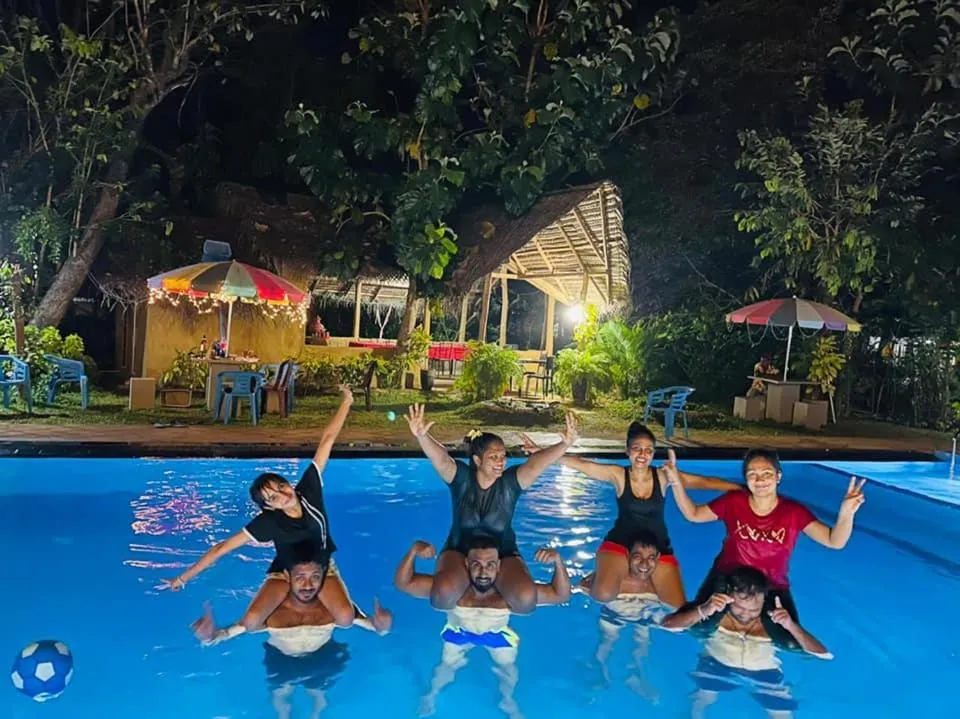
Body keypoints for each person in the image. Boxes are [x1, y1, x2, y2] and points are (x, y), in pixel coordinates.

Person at [163, 385, 358, 631]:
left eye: (281, 487)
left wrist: (347, 401)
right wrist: (182, 578)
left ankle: (325, 602)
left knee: (345, 618)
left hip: (322, 566)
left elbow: (327, 439)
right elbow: (222, 548)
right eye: (273, 498)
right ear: (268, 506)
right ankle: (243, 624)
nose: (283, 496)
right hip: (285, 571)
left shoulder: (308, 489)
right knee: (252, 623)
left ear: (288, 483)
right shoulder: (268, 522)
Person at [523, 422, 740, 607]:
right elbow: (583, 465)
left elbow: (704, 482)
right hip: (621, 543)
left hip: (657, 546)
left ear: (653, 454)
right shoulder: (619, 475)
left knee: (676, 607)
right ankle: (602, 575)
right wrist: (542, 453)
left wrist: (742, 489)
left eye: (648, 450)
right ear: (628, 452)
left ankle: (634, 578)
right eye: (637, 449)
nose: (643, 455)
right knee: (603, 596)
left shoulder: (664, 476)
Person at [404, 403, 577, 614]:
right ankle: (472, 591)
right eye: (493, 457)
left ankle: (484, 592)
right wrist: (422, 436)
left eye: (503, 456)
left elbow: (536, 463)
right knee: (442, 596)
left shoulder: (511, 483)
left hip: (503, 553)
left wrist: (564, 444)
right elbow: (441, 459)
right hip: (459, 550)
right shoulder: (461, 479)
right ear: (477, 460)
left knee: (525, 601)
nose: (500, 462)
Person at [191, 542, 392, 719]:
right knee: (281, 699)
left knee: (319, 697)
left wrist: (382, 626)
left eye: (315, 577)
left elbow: (373, 627)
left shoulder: (333, 609)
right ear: (287, 576)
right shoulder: (272, 612)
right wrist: (210, 636)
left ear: (323, 577)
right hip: (280, 657)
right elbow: (228, 633)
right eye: (300, 577)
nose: (308, 585)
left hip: (321, 655)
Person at [666, 447, 866, 621]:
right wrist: (675, 482)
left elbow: (834, 541)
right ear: (746, 478)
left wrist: (846, 513)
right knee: (699, 627)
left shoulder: (793, 513)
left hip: (772, 584)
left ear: (778, 476)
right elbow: (694, 514)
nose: (760, 480)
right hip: (727, 577)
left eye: (767, 473)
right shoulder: (734, 502)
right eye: (752, 474)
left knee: (790, 643)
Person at [394, 537, 571, 719]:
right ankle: (432, 695)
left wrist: (558, 561)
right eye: (476, 564)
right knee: (446, 666)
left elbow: (560, 595)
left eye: (490, 565)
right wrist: (413, 550)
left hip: (496, 636)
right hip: (459, 633)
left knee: (507, 668)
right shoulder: (453, 591)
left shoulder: (509, 594)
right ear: (466, 564)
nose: (483, 572)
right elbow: (404, 584)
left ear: (499, 566)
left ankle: (508, 700)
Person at [661, 566, 831, 719]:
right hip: (716, 665)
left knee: (782, 715)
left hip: (765, 675)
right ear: (728, 596)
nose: (745, 614)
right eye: (740, 607)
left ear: (763, 602)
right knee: (699, 703)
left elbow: (822, 654)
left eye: (753, 610)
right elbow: (668, 625)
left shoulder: (772, 624)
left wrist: (791, 625)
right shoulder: (715, 614)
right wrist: (703, 610)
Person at [578, 531, 674, 704]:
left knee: (642, 646)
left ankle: (634, 675)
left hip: (643, 617)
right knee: (606, 642)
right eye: (638, 557)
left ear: (658, 558)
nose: (644, 564)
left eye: (651, 558)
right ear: (627, 556)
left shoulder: (657, 580)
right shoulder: (616, 576)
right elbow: (584, 585)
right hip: (614, 614)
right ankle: (599, 671)